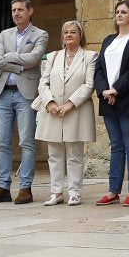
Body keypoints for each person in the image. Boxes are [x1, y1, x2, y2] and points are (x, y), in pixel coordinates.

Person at [0, 0, 48, 205]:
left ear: (30, 11)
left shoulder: (40, 34)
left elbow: (34, 59)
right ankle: (3, 187)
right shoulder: (5, 34)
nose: (16, 13)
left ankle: (25, 188)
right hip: (2, 93)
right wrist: (19, 65)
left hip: (25, 94)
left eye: (20, 10)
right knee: (1, 142)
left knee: (26, 141)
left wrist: (9, 58)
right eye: (13, 10)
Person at [94, 0, 129, 207]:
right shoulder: (108, 40)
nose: (119, 14)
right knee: (116, 146)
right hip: (108, 99)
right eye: (117, 11)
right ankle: (113, 191)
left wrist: (116, 89)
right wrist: (103, 90)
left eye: (124, 12)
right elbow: (99, 69)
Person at [35, 20, 97, 207]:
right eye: (66, 32)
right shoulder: (53, 56)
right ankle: (56, 192)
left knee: (74, 154)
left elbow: (89, 84)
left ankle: (75, 192)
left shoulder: (90, 56)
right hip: (53, 111)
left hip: (76, 111)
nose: (69, 35)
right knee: (54, 154)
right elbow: (43, 83)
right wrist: (50, 103)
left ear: (80, 35)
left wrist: (70, 104)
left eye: (73, 32)